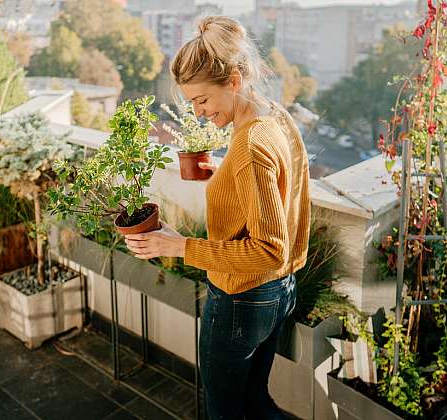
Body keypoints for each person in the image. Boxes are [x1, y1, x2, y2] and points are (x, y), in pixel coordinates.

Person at [124, 15, 311, 420]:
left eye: (202, 100)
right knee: (255, 402)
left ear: (234, 81)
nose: (197, 112)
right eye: (191, 103)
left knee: (224, 410)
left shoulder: (251, 147)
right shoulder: (272, 115)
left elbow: (267, 250)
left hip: (242, 298)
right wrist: (223, 173)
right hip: (279, 293)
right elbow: (280, 182)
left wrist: (177, 246)